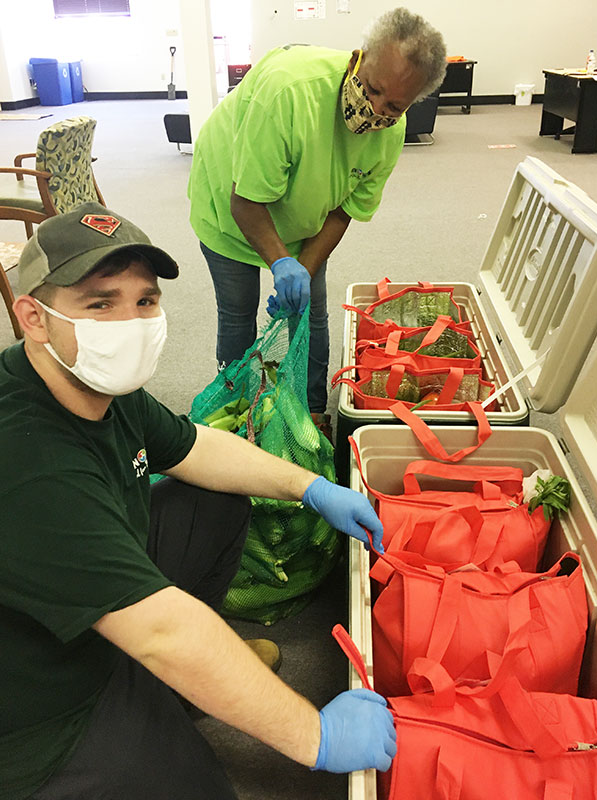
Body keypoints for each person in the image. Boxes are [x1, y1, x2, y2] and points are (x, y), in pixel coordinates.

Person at [0, 202, 396, 800]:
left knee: (218, 500)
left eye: (145, 301)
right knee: (200, 786)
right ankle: (164, 684)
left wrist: (313, 488)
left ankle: (176, 684)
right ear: (33, 317)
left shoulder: (91, 384)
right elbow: (161, 628)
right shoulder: (27, 463)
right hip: (40, 707)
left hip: (92, 598)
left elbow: (195, 448)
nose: (130, 322)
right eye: (100, 304)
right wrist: (315, 735)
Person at [188, 7, 447, 432]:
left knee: (309, 312)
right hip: (231, 203)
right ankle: (233, 412)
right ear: (358, 59)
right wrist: (280, 262)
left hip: (305, 214)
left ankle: (311, 410)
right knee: (237, 311)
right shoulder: (288, 93)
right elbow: (245, 203)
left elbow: (344, 210)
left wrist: (303, 269)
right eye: (372, 88)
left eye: (394, 105)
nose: (375, 109)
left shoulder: (391, 136)